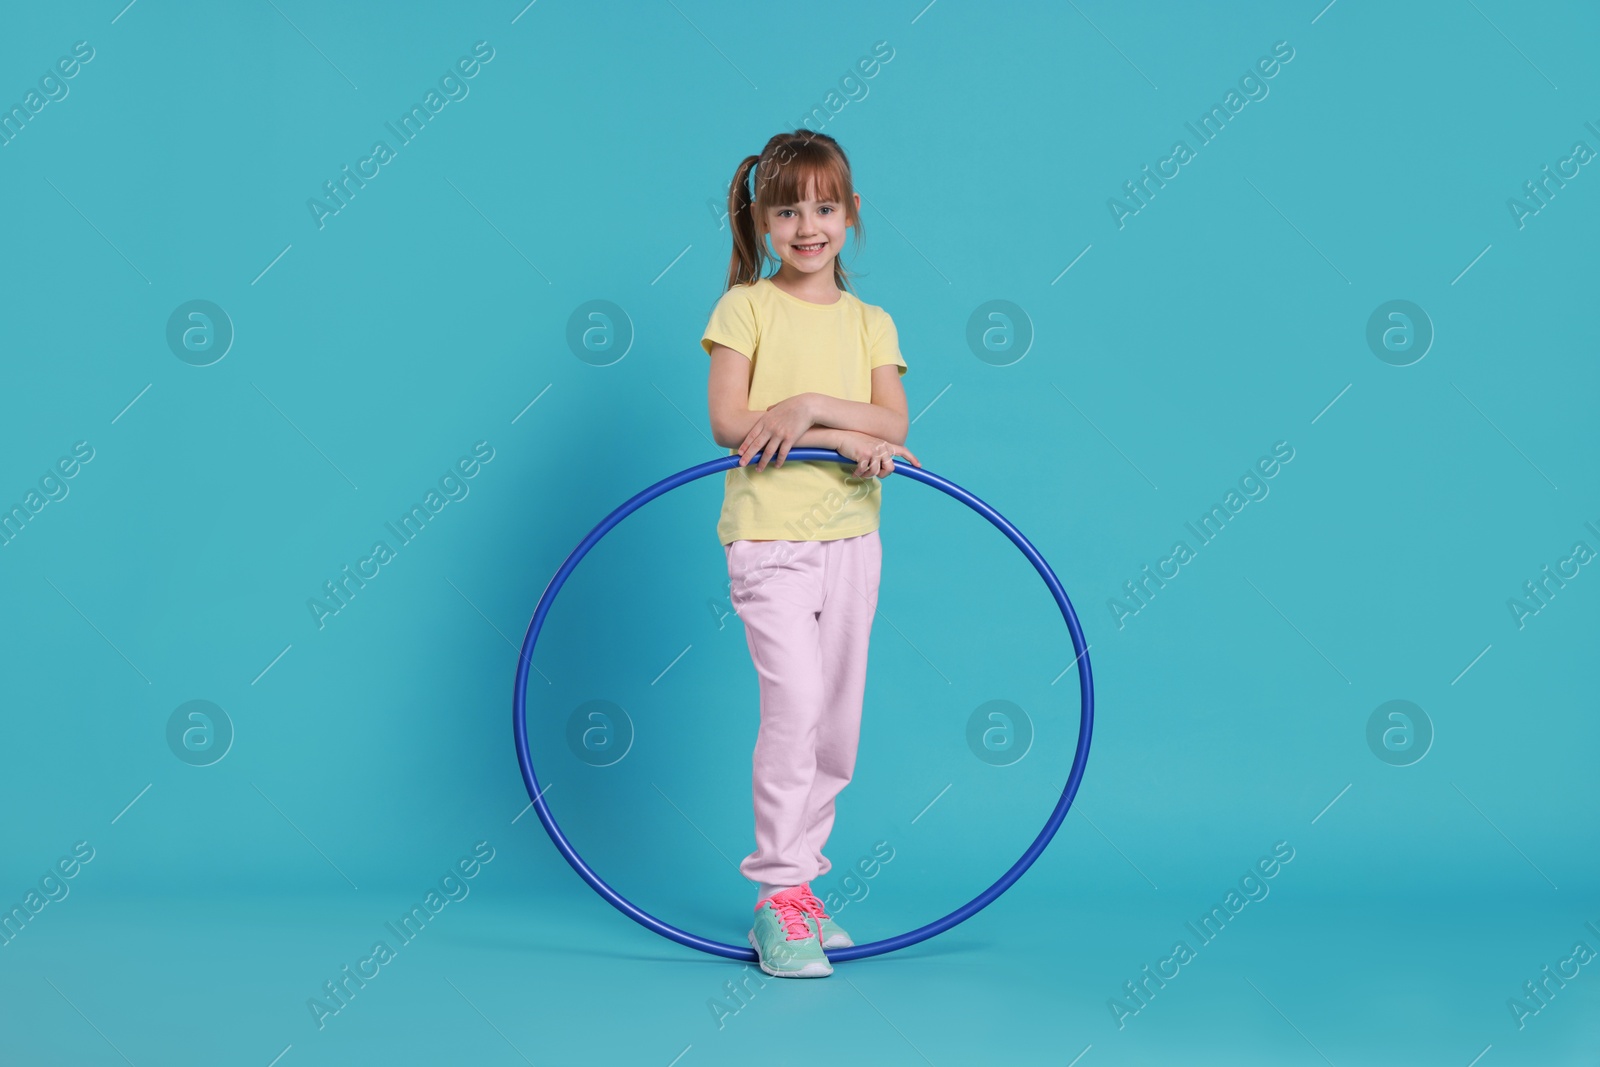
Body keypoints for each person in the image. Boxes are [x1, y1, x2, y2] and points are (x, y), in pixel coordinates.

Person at [702, 130, 919, 978]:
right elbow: (728, 424)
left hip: (852, 543)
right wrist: (823, 427)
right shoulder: (746, 308)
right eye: (787, 209)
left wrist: (816, 415)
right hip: (771, 541)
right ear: (760, 219)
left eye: (824, 207)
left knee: (836, 725)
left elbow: (893, 426)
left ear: (851, 213)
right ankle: (777, 893)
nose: (807, 226)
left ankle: (804, 889)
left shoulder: (872, 321)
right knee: (792, 711)